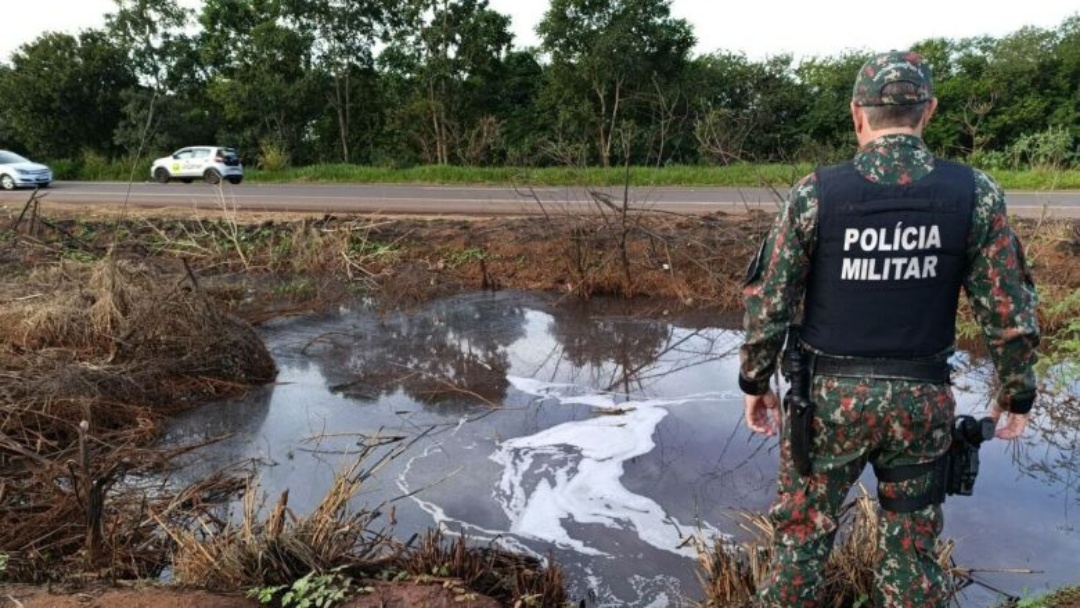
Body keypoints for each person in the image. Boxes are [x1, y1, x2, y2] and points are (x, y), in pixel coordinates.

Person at [738, 50, 1040, 608]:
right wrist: (1016, 391)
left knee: (800, 545)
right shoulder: (974, 192)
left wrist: (755, 384)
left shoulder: (816, 192)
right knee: (912, 558)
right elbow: (1008, 308)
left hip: (826, 404)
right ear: (928, 111)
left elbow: (769, 301)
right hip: (922, 405)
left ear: (858, 114)